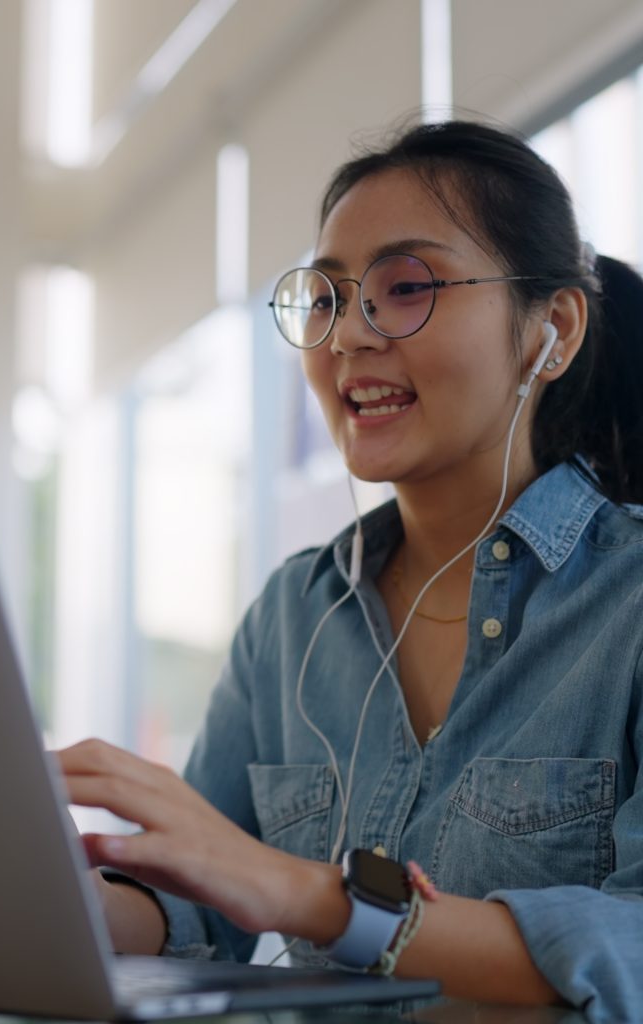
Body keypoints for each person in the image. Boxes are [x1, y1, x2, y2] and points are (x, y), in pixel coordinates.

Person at [58, 119, 643, 1021]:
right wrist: (35, 902)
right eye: (327, 300)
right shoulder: (294, 615)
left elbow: (628, 955)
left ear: (551, 331)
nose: (348, 339)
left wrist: (316, 899)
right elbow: (196, 908)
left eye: (404, 288)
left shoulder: (629, 605)